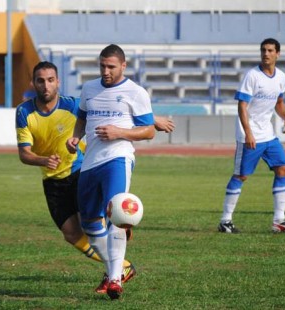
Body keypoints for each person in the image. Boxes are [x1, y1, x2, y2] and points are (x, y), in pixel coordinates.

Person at [16, 61, 174, 294]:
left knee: (99, 221)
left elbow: (112, 111)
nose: (46, 85)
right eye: (40, 80)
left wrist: (154, 120)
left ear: (58, 82)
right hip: (52, 180)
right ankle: (122, 266)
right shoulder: (24, 112)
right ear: (33, 83)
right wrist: (42, 160)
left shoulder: (71, 105)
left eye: (50, 80)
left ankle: (116, 263)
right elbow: (24, 154)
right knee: (71, 234)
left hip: (80, 170)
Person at [66, 44, 156, 300]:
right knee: (90, 225)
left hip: (118, 159)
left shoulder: (135, 92)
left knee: (117, 213)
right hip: (90, 163)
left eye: (111, 67)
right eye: (102, 66)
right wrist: (75, 137)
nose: (106, 71)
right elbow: (82, 118)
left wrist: (120, 133)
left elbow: (149, 131)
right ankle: (114, 270)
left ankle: (115, 280)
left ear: (123, 66)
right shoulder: (89, 88)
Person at [217, 38, 285, 234]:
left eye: (270, 50)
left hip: (269, 135)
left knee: (283, 170)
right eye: (263, 50)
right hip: (249, 134)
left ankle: (279, 221)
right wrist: (248, 132)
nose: (266, 53)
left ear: (277, 54)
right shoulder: (252, 76)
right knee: (241, 175)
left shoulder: (281, 77)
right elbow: (242, 105)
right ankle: (225, 220)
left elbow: (279, 103)